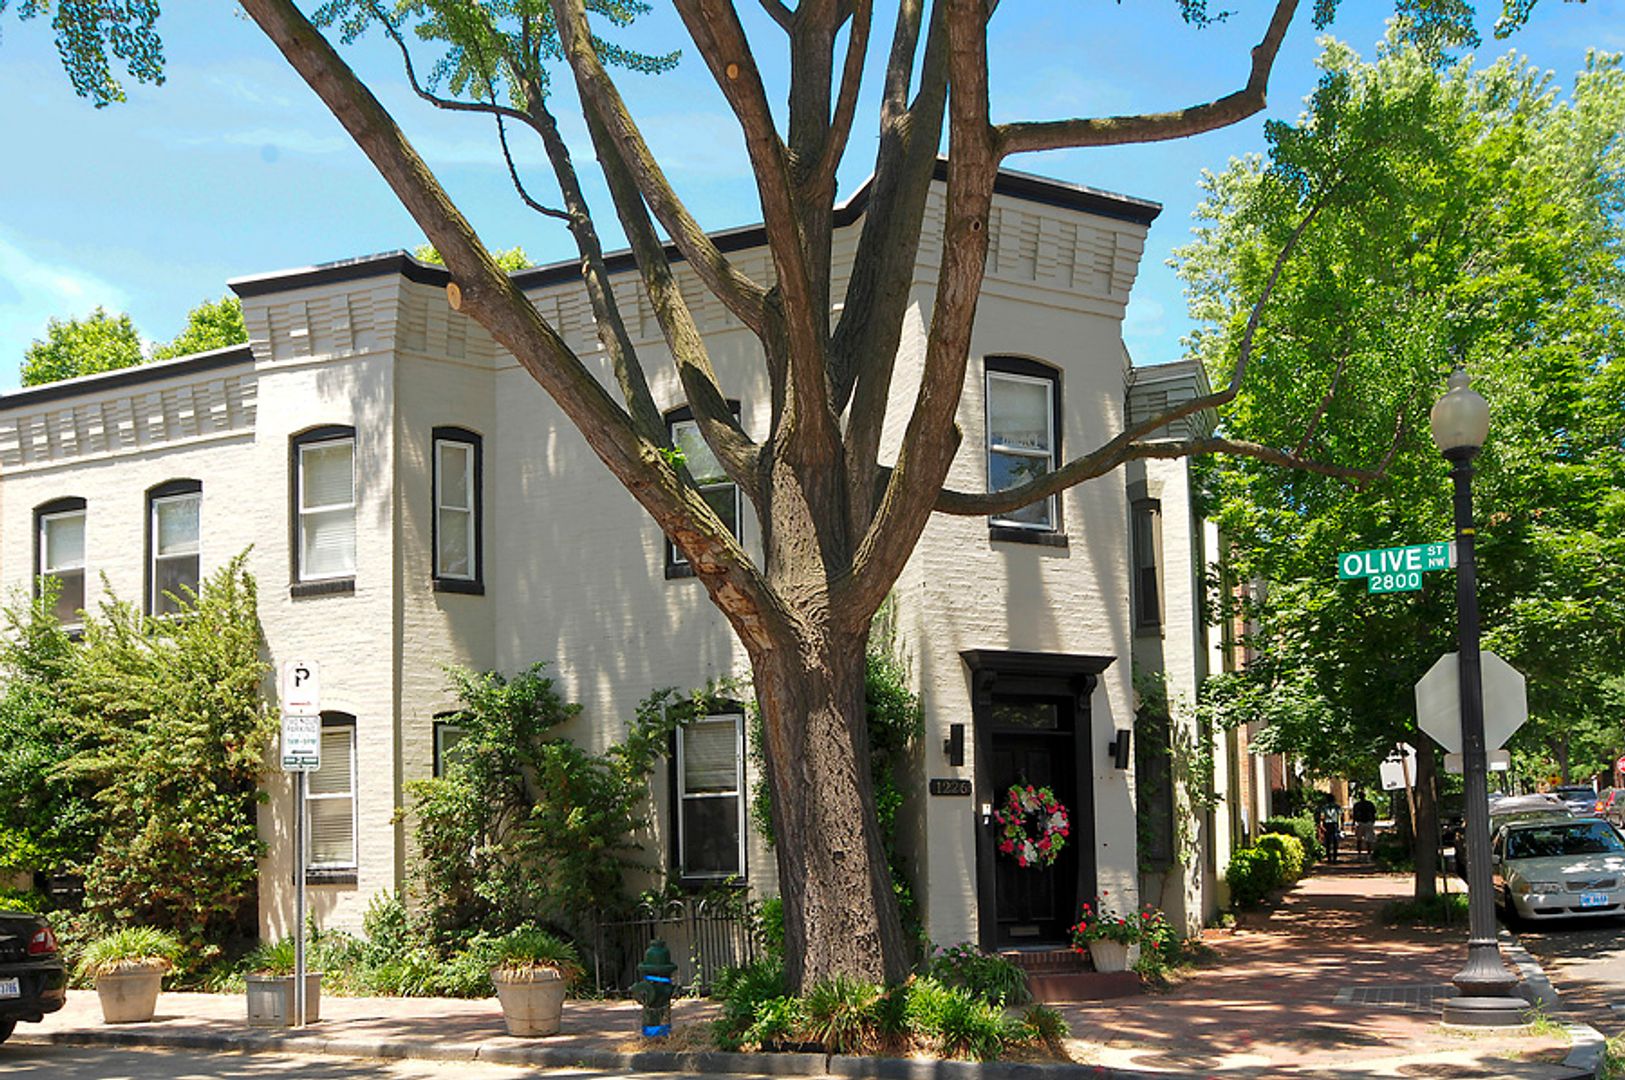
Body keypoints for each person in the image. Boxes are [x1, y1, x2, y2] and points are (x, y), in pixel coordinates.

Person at [1351, 792, 1378, 858]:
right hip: (1368, 822)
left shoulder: (1357, 805)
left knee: (1359, 839)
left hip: (1360, 823)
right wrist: (1373, 821)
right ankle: (1368, 853)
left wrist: (1353, 824)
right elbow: (1374, 813)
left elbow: (1354, 815)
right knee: (1368, 839)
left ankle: (1359, 853)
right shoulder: (1369, 804)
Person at [1319, 798, 1343, 864]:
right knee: (1332, 842)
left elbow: (1322, 818)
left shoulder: (1334, 807)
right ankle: (1332, 858)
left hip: (1330, 825)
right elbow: (1339, 817)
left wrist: (1321, 825)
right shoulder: (1335, 807)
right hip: (1331, 825)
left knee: (1330, 842)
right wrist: (1340, 826)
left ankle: (1331, 858)